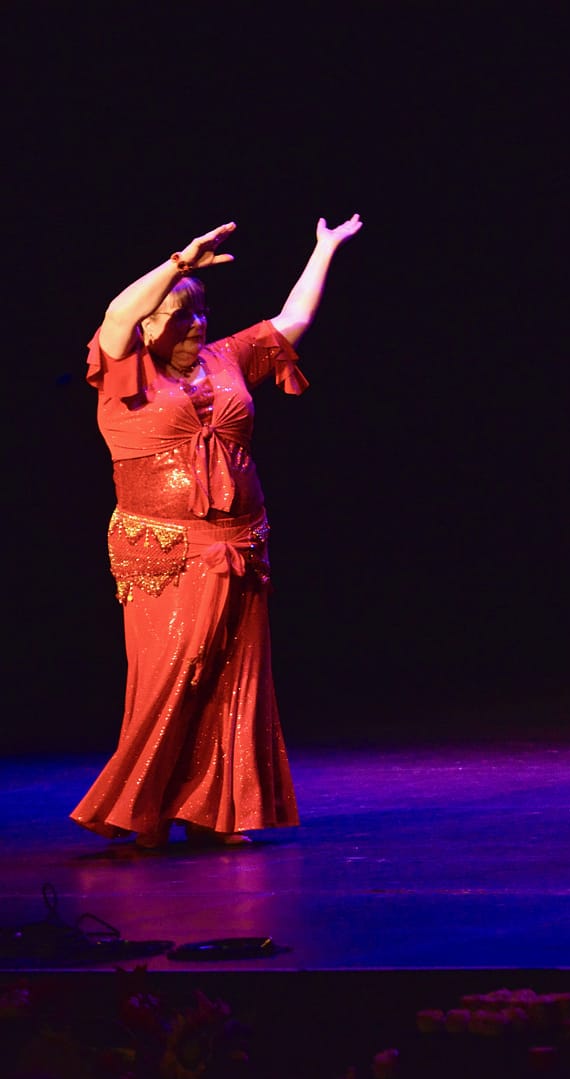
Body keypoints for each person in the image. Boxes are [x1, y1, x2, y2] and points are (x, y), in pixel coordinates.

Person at [72, 214, 363, 847]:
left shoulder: (224, 358)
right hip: (166, 546)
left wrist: (324, 249)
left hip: (242, 538)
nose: (194, 323)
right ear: (151, 324)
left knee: (236, 677)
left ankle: (215, 812)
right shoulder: (126, 371)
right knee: (173, 672)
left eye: (199, 312)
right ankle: (140, 810)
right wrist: (178, 265)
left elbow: (293, 323)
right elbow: (117, 314)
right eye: (178, 314)